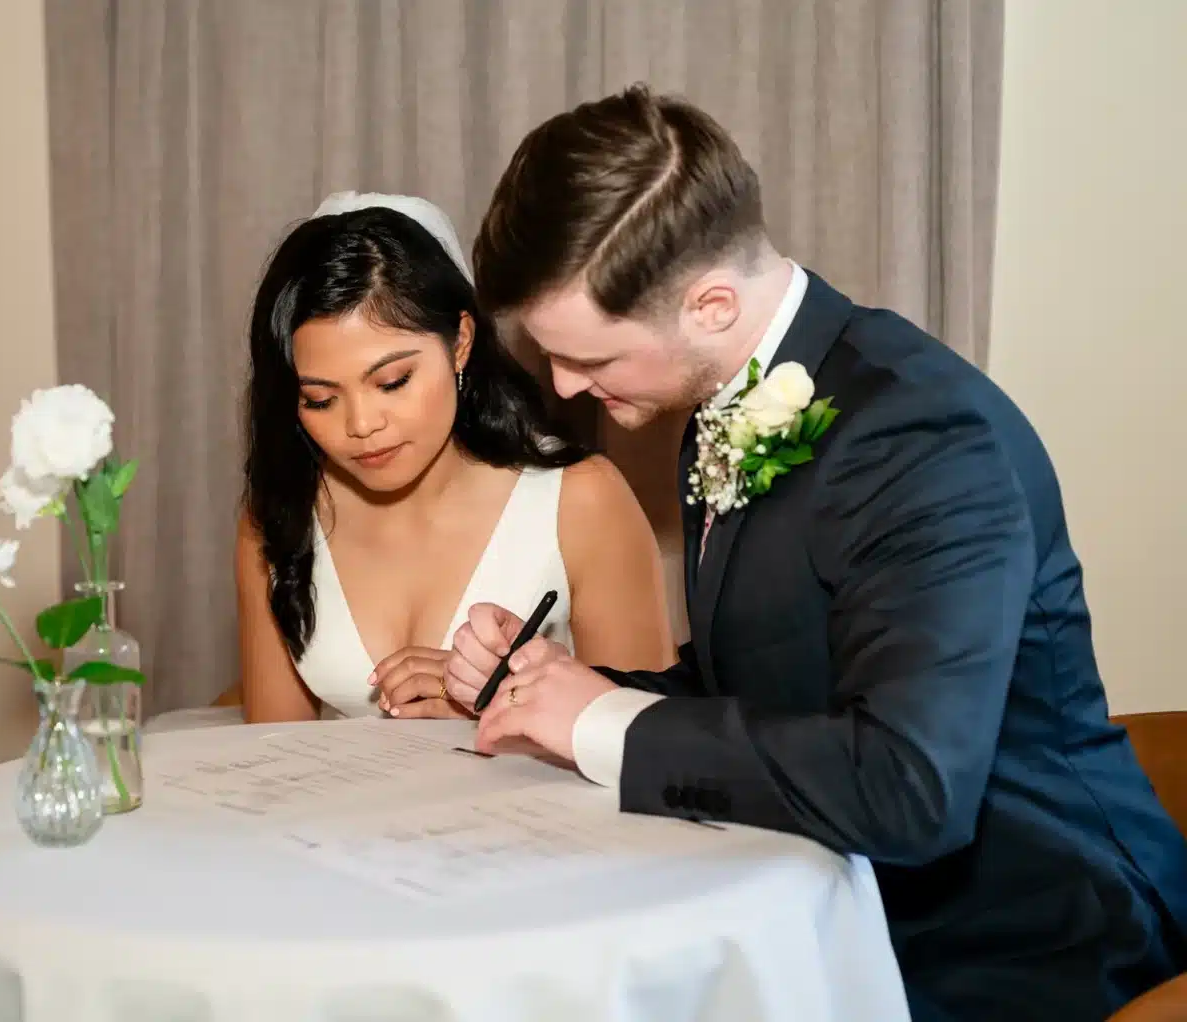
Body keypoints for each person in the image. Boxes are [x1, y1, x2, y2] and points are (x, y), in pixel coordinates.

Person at [441, 86, 1187, 1021]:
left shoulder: (922, 434)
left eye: (591, 359)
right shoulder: (724, 398)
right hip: (848, 907)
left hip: (1035, 940)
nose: (564, 387)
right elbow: (771, 696)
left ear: (711, 304)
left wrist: (606, 725)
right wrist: (562, 688)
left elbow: (910, 786)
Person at [235, 191, 673, 725]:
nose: (361, 425)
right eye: (320, 399)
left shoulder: (580, 499)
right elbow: (273, 763)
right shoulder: (280, 518)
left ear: (461, 342)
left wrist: (491, 709)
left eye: (393, 382)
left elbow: (649, 737)